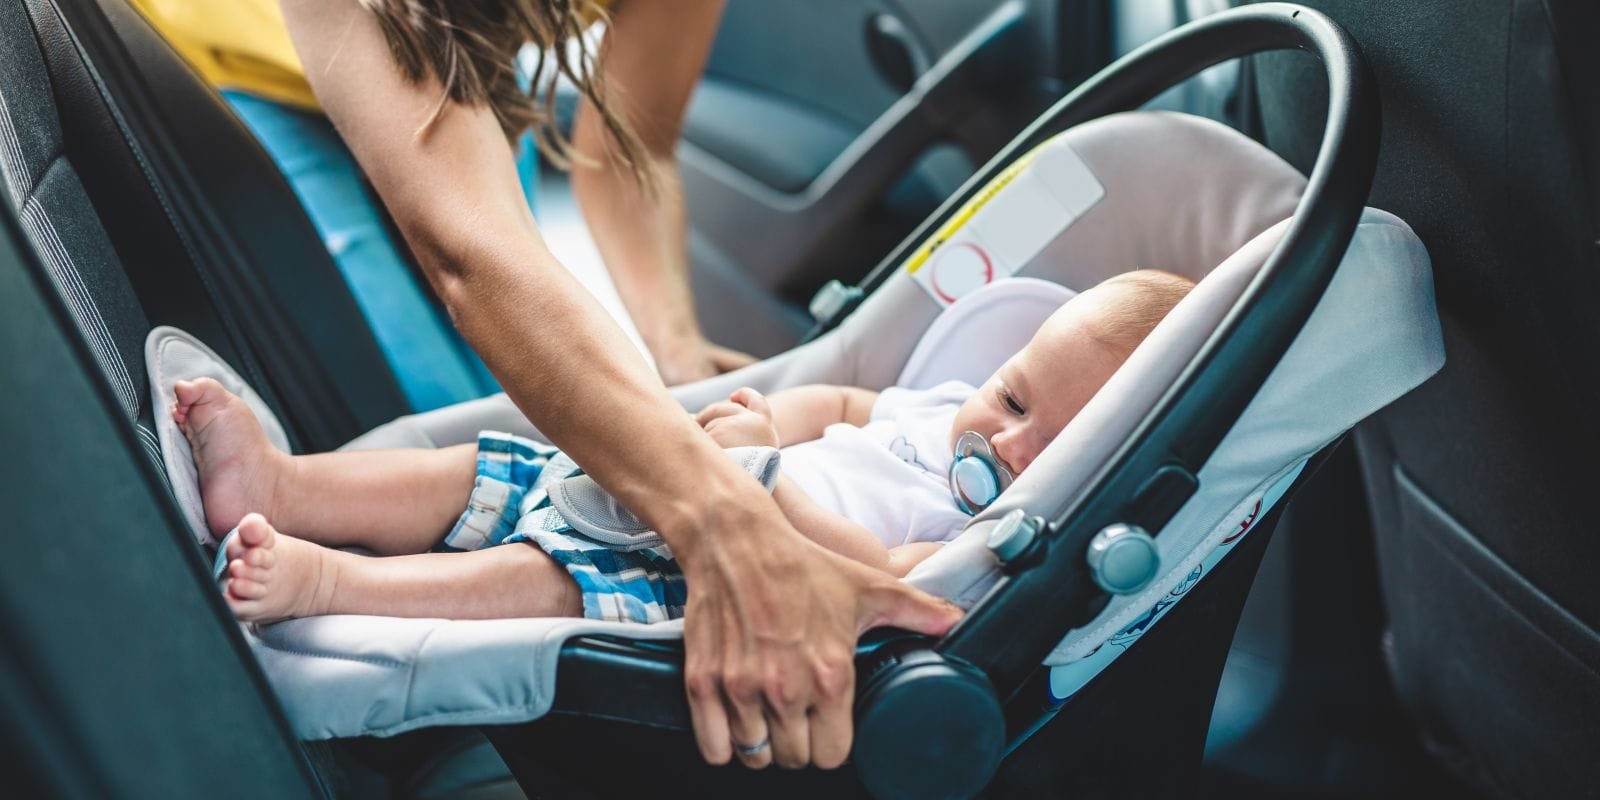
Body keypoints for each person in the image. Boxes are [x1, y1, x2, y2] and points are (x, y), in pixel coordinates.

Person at [173, 270, 1193, 627]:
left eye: (1054, 442)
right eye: (1012, 393)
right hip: (668, 478)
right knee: (482, 467)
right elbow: (840, 394)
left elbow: (882, 575)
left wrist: (760, 482)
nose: (1007, 438)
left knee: (535, 578)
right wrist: (767, 419)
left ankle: (332, 584)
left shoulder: (993, 537)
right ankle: (284, 480)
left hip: (698, 575)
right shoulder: (941, 403)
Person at [127, 0, 753, 401]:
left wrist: (677, 350)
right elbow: (465, 260)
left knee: (522, 397)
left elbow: (631, 149)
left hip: (465, 67)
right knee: (434, 403)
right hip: (255, 68)